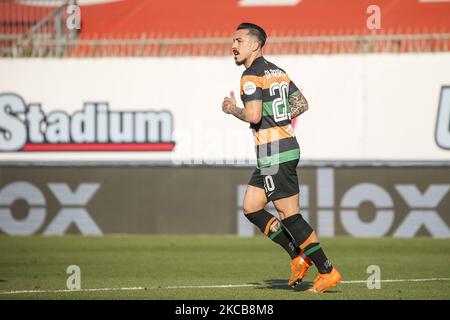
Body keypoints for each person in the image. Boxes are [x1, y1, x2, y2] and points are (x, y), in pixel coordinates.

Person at [221, 22, 341, 293]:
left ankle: (327, 270)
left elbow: (252, 116)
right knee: (252, 207)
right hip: (277, 149)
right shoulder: (278, 71)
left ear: (255, 44)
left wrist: (232, 109)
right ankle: (297, 256)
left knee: (289, 215)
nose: (233, 46)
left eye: (239, 41)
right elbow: (301, 104)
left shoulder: (251, 76)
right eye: (233, 41)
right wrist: (277, 116)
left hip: (274, 150)